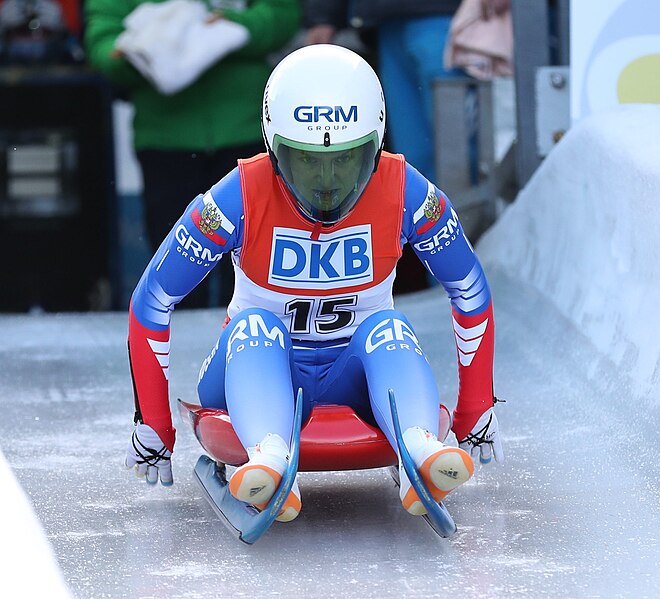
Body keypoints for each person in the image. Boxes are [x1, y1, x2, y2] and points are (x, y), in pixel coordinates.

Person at [124, 44, 504, 523]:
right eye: (306, 161)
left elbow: (468, 287)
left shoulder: (406, 190)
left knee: (387, 325)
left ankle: (419, 446)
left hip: (355, 376)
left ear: (376, 141)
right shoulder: (236, 195)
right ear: (273, 147)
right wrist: (154, 422)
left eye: (347, 159)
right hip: (251, 372)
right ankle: (269, 455)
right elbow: (154, 298)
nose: (327, 182)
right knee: (256, 325)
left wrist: (476, 408)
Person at [83, 0, 300, 307]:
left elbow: (283, 14)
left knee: (253, 274)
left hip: (245, 132)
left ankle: (250, 348)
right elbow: (103, 38)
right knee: (177, 279)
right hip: (167, 140)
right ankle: (177, 354)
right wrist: (137, 54)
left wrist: (234, 27)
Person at [302, 1, 473, 185]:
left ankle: (469, 211)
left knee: (457, 149)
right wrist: (326, 15)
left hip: (444, 16)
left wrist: (325, 15)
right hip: (387, 20)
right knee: (413, 156)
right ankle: (425, 210)